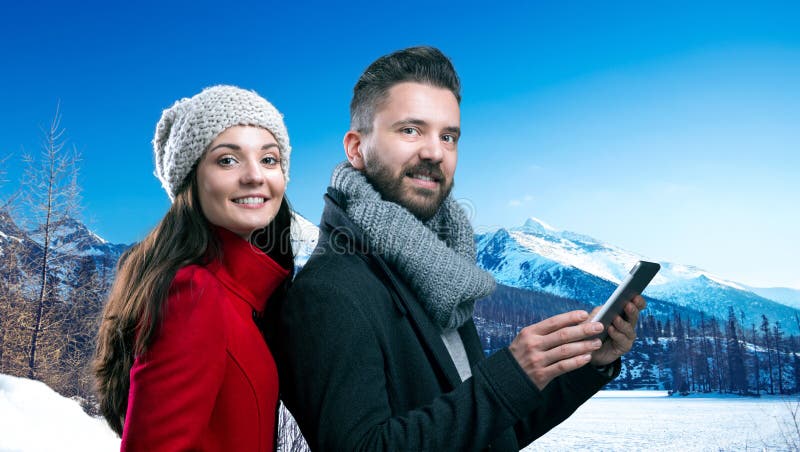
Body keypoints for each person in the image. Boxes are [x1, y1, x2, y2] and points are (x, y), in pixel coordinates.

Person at [272, 46, 646, 451]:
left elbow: (488, 431)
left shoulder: (442, 273)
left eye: (448, 136)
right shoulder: (330, 291)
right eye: (410, 130)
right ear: (356, 148)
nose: (435, 151)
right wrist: (509, 377)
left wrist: (589, 365)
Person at [93, 85, 294, 451]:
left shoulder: (242, 295)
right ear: (192, 181)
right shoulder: (194, 293)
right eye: (227, 160)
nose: (255, 176)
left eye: (269, 159)